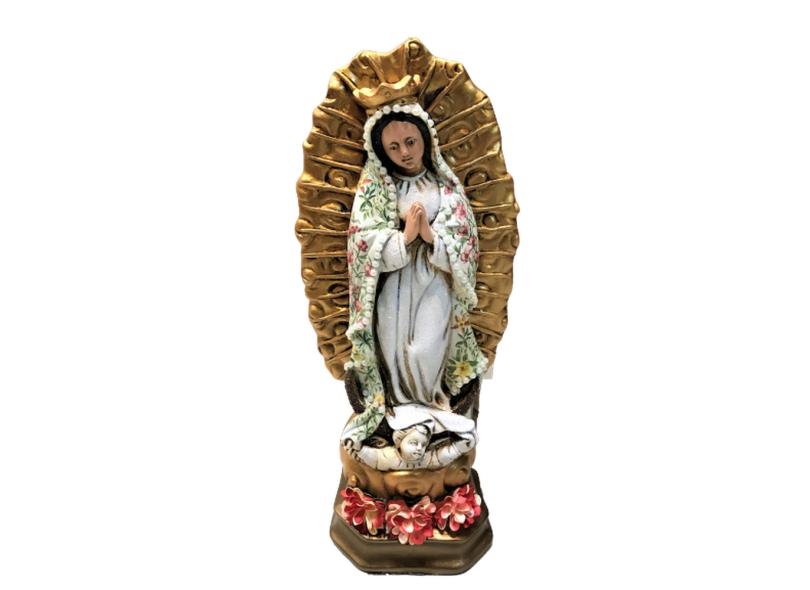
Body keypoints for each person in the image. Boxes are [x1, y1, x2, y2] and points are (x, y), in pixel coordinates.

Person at [341, 101, 488, 449]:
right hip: (393, 286)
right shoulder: (378, 188)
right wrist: (403, 239)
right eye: (393, 147)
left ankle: (432, 410)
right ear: (382, 151)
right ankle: (402, 416)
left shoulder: (444, 187)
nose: (404, 153)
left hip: (434, 281)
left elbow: (464, 239)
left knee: (425, 350)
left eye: (410, 142)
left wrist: (431, 237)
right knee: (395, 351)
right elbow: (361, 241)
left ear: (425, 139)